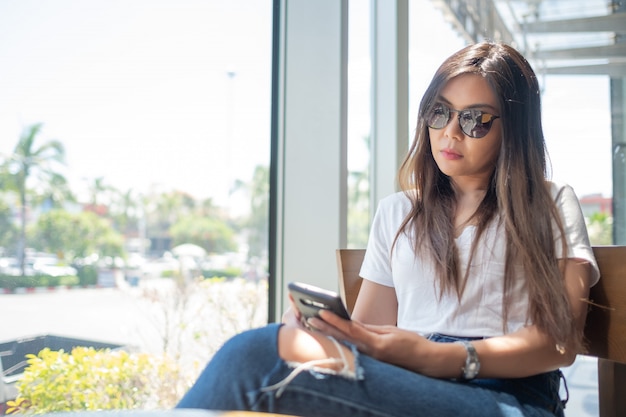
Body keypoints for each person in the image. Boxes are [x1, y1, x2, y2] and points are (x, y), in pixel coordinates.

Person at [176, 41, 599, 417]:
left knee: (253, 356)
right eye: (440, 113)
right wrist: (331, 331)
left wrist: (439, 356)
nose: (450, 132)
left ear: (515, 129)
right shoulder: (399, 212)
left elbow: (558, 343)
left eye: (475, 120)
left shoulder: (549, 203)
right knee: (273, 348)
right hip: (410, 385)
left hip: (509, 399)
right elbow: (369, 333)